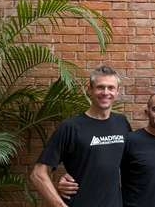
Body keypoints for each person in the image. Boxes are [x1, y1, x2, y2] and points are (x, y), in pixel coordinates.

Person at [30, 65, 132, 207]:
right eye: (100, 87)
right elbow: (38, 174)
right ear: (89, 89)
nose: (105, 92)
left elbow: (134, 163)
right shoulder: (71, 127)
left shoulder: (122, 123)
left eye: (111, 87)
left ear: (117, 92)